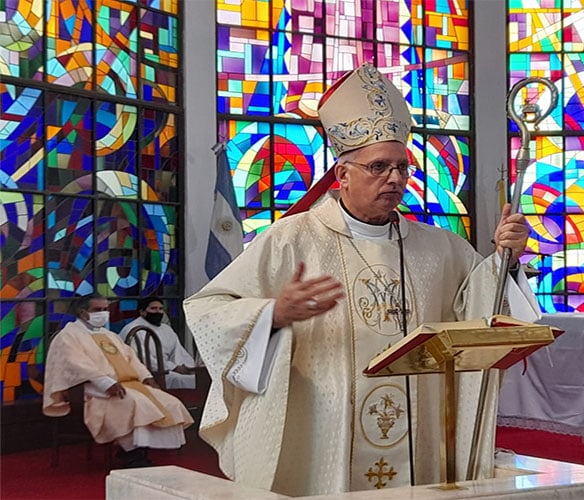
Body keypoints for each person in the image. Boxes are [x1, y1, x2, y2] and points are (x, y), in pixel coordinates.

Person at [184, 63, 540, 496]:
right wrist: (273, 313)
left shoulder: (440, 247)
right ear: (343, 175)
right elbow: (207, 309)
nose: (394, 178)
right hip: (321, 429)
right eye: (378, 167)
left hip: (416, 424)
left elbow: (479, 315)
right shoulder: (291, 239)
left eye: (402, 167)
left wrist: (506, 260)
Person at [43, 293, 194, 467]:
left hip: (125, 384)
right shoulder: (69, 335)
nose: (103, 313)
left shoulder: (109, 335)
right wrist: (106, 383)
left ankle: (142, 448)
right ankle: (132, 453)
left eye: (106, 309)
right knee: (133, 403)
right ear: (83, 312)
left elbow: (131, 358)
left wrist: (147, 377)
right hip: (90, 388)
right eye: (97, 310)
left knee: (169, 402)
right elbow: (76, 364)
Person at [119, 298, 196, 389]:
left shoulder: (166, 329)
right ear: (142, 312)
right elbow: (140, 358)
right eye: (153, 308)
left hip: (168, 370)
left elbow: (178, 352)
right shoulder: (133, 329)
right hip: (149, 373)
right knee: (180, 380)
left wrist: (188, 367)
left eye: (160, 309)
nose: (158, 311)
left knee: (195, 378)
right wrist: (173, 367)